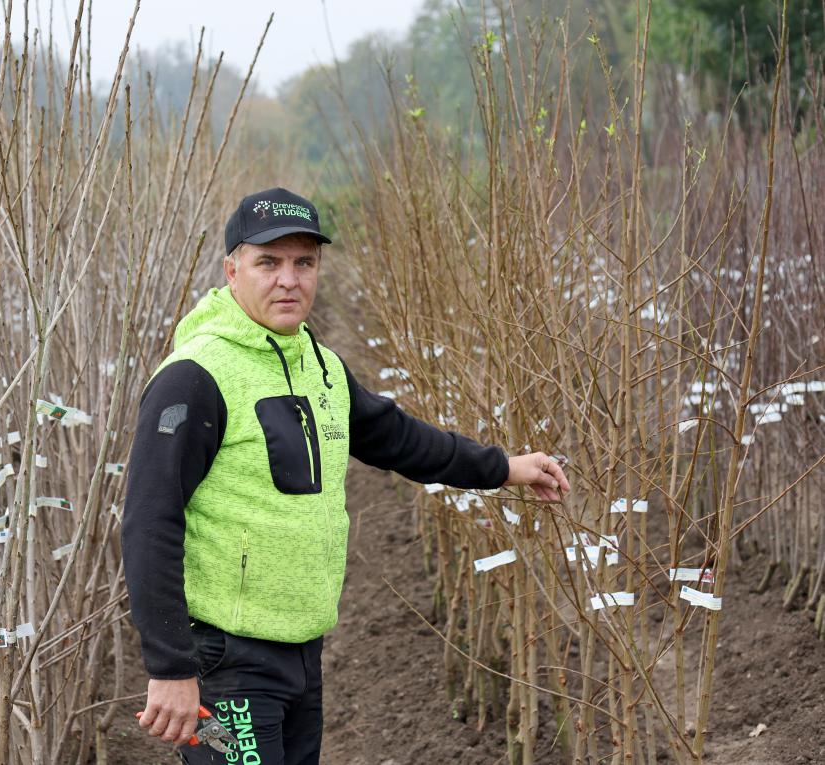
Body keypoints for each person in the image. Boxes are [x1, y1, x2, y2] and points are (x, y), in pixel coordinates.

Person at [121, 187, 570, 765]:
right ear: (232, 270)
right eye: (269, 262)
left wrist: (503, 468)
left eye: (303, 262)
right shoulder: (194, 377)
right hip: (225, 664)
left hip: (302, 652)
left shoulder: (320, 365)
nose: (289, 279)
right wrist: (170, 669)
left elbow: (397, 439)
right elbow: (148, 522)